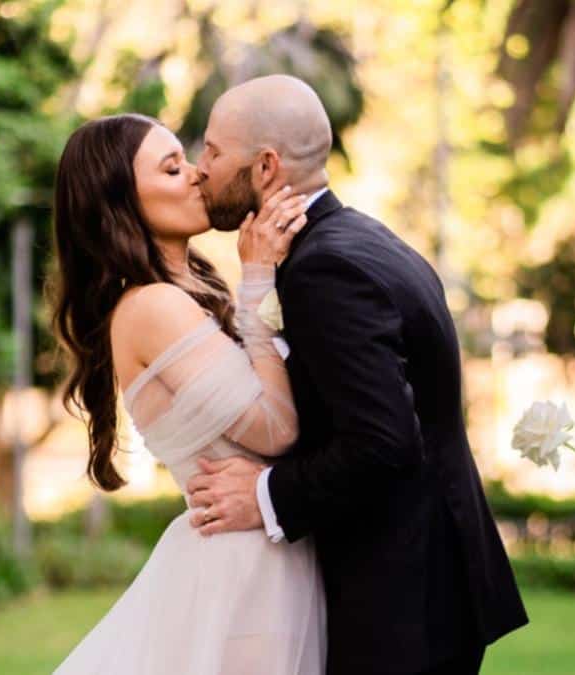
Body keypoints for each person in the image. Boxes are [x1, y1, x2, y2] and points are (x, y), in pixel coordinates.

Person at [185, 75, 528, 674]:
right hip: (426, 584)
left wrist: (263, 495)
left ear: (265, 167)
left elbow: (383, 442)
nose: (200, 167)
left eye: (213, 151)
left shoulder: (327, 270)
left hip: (400, 601)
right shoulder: (360, 240)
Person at [48, 112, 325, 674]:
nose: (199, 174)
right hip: (242, 570)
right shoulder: (153, 306)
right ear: (120, 203)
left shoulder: (189, 293)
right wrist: (258, 281)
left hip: (262, 554)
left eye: (189, 158)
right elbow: (275, 427)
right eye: (172, 168)